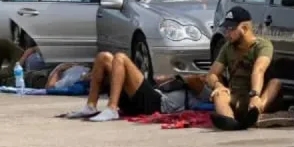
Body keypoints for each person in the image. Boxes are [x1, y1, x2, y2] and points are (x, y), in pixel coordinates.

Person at [64, 52, 212, 121]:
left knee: (121, 58)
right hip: (145, 98)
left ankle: (112, 108)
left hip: (156, 104)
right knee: (103, 57)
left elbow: (193, 79)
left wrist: (204, 78)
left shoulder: (207, 93)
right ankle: (90, 105)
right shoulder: (193, 84)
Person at [205, 6, 283, 131]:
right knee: (219, 95)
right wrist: (218, 86)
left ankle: (255, 112)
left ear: (245, 28)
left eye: (231, 29)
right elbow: (211, 74)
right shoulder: (227, 47)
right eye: (226, 29)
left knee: (275, 83)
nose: (227, 33)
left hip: (255, 95)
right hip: (235, 94)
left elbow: (259, 70)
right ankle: (229, 121)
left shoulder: (262, 45)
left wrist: (255, 95)